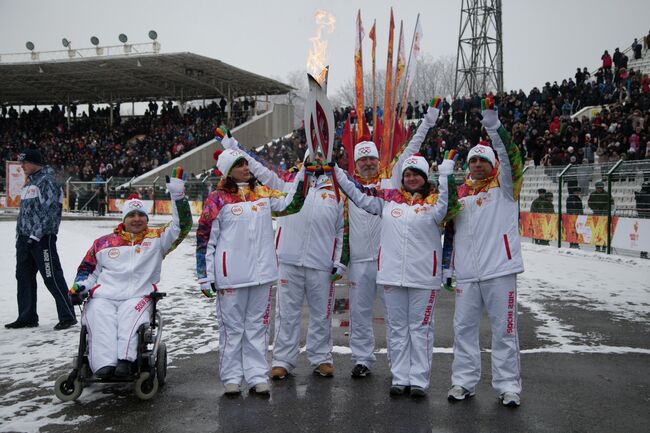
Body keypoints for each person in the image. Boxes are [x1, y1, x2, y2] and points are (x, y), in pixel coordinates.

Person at [220, 130, 345, 379]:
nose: (316, 162)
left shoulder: (337, 190)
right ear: (305, 160)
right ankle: (282, 360)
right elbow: (258, 167)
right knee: (287, 314)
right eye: (313, 157)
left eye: (321, 158)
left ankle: (321, 358)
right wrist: (232, 145)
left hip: (322, 262)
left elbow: (343, 229)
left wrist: (339, 260)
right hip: (288, 259)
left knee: (322, 314)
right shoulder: (288, 182)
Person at [333, 152, 459, 397]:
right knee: (397, 328)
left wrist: (445, 175)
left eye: (417, 175)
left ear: (425, 177)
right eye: (408, 175)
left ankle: (419, 380)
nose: (411, 179)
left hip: (424, 277)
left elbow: (448, 206)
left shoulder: (434, 202)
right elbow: (358, 193)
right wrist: (336, 170)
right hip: (391, 275)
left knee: (420, 329)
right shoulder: (388, 199)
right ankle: (401, 377)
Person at [343, 99, 443, 378]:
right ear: (355, 162)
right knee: (359, 314)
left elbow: (411, 147)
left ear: (378, 160)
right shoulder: (347, 186)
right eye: (362, 159)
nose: (367, 163)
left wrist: (428, 122)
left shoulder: (391, 179)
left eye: (371, 158)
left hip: (390, 262)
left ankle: (401, 366)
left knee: (396, 318)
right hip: (360, 261)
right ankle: (362, 359)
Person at [196, 147, 308, 396]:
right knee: (232, 330)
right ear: (227, 172)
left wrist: (304, 176)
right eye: (239, 165)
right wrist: (205, 275)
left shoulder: (262, 193)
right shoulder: (217, 199)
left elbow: (293, 203)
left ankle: (257, 375)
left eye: (246, 164)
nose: (246, 169)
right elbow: (205, 239)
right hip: (231, 277)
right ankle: (232, 377)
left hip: (262, 274)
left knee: (257, 327)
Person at [69, 168, 192, 379]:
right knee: (98, 314)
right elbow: (87, 270)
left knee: (129, 314)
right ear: (123, 219)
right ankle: (104, 365)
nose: (137, 219)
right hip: (105, 295)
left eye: (141, 215)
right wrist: (79, 288)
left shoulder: (157, 238)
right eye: (131, 215)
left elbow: (182, 227)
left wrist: (177, 195)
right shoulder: (103, 243)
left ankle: (125, 361)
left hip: (139, 295)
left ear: (146, 218)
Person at [447, 97, 525, 407]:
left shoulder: (506, 187)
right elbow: (447, 231)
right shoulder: (459, 195)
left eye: (484, 161)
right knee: (463, 330)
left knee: (504, 331)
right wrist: (447, 269)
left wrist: (493, 128)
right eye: (473, 161)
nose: (478, 165)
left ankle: (508, 386)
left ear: (492, 165)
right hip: (467, 274)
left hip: (499, 271)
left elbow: (512, 158)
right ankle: (463, 383)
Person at [6, 148, 77, 330]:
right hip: (24, 238)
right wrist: (20, 235)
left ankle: (67, 316)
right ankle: (27, 316)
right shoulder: (30, 182)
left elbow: (51, 211)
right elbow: (26, 213)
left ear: (34, 162)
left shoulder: (47, 180)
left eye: (24, 162)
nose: (21, 166)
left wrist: (36, 235)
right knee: (23, 277)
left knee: (51, 276)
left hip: (41, 238)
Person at [588, 181, 611, 252]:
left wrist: (604, 209)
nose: (599, 189)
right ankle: (597, 246)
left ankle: (604, 245)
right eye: (598, 188)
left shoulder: (607, 194)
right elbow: (590, 203)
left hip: (605, 215)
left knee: (604, 231)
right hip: (596, 214)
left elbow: (610, 203)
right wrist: (596, 209)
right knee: (596, 231)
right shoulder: (593, 194)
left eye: (600, 188)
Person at [634, 182, 650, 259]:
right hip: (647, 217)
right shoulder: (646, 195)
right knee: (646, 235)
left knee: (644, 235)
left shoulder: (640, 194)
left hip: (642, 217)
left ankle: (643, 252)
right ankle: (644, 252)